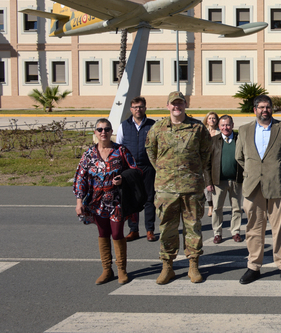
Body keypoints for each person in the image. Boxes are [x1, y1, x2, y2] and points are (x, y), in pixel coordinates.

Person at [146, 91, 213, 285]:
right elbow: (151, 152)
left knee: (193, 227)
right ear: (168, 106)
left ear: (185, 105)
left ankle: (193, 265)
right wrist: (163, 171)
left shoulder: (197, 128)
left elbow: (205, 153)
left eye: (180, 103)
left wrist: (193, 172)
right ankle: (167, 266)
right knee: (167, 227)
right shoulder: (158, 128)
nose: (177, 107)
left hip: (191, 186)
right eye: (173, 104)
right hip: (166, 188)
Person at [237, 95, 281, 285]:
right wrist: (254, 172)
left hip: (277, 186)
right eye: (261, 107)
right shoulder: (244, 130)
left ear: (272, 109)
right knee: (254, 228)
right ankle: (254, 266)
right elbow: (240, 157)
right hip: (253, 186)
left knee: (279, 228)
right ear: (255, 109)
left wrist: (278, 174)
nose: (265, 110)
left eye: (268, 107)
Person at [74, 119, 140, 284]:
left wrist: (122, 178)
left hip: (116, 200)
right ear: (95, 133)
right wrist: (79, 201)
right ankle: (106, 269)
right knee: (103, 233)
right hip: (96, 201)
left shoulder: (121, 151)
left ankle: (122, 269)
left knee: (117, 233)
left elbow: (135, 170)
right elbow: (80, 177)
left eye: (107, 129)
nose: (103, 132)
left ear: (112, 132)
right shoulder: (89, 154)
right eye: (100, 129)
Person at [116, 97, 158, 242]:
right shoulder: (124, 126)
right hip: (131, 169)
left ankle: (150, 230)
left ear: (145, 108)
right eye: (135, 107)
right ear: (130, 109)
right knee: (132, 199)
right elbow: (119, 147)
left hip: (148, 167)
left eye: (140, 107)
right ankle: (133, 230)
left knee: (149, 198)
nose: (137, 110)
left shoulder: (153, 125)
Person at [207, 115, 244, 244]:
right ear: (219, 126)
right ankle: (217, 233)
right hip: (219, 181)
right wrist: (208, 182)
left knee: (237, 208)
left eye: (228, 125)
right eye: (222, 125)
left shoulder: (240, 139)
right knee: (217, 208)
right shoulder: (213, 141)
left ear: (232, 125)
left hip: (236, 180)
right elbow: (207, 164)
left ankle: (236, 232)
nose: (225, 127)